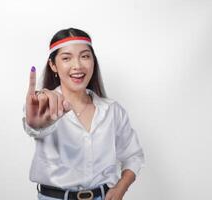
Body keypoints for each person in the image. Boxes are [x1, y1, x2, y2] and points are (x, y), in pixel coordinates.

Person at [22, 28, 145, 200]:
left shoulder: (112, 110)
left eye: (85, 56)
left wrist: (120, 189)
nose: (78, 66)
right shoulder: (44, 105)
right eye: (66, 58)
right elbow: (34, 127)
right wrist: (35, 125)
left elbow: (133, 155)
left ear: (93, 61)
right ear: (53, 65)